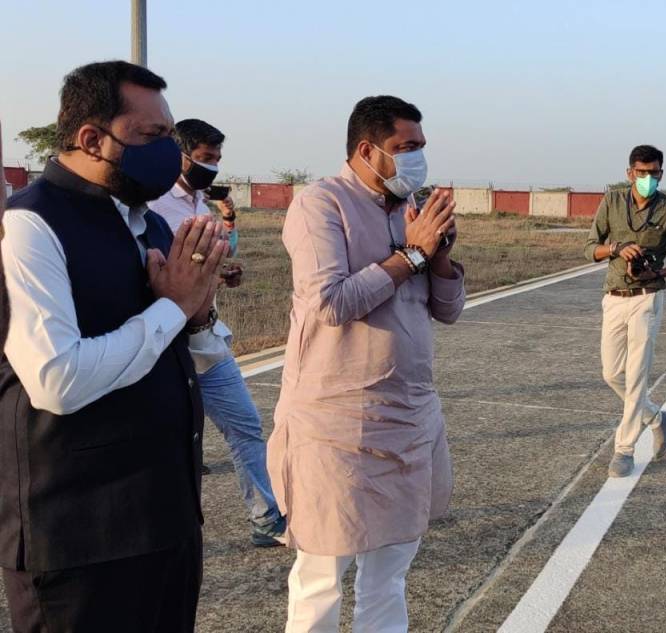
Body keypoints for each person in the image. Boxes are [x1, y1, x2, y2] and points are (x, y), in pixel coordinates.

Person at [0, 61, 228, 632]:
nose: (170, 153)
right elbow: (57, 380)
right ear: (91, 139)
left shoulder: (151, 225)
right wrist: (172, 307)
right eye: (152, 136)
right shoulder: (31, 225)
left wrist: (198, 315)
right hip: (80, 540)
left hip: (166, 521)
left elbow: (187, 358)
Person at [267, 95, 464, 632]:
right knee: (321, 577)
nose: (417, 158)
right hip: (335, 423)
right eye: (406, 147)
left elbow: (448, 311)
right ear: (367, 150)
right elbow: (330, 304)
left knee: (390, 574)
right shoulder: (320, 204)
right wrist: (412, 256)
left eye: (421, 146)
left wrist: (439, 255)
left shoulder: (412, 208)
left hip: (407, 416)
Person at [150, 118, 287, 548]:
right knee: (163, 440)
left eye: (217, 158)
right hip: (166, 343)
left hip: (206, 340)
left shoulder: (198, 204)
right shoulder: (154, 206)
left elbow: (203, 262)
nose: (212, 166)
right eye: (206, 158)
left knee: (245, 424)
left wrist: (220, 275)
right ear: (181, 156)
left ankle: (266, 518)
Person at [584, 145, 666, 477]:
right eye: (641, 172)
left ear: (661, 173)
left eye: (653, 173)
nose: (647, 178)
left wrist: (660, 272)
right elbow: (590, 248)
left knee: (636, 376)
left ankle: (624, 449)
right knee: (611, 373)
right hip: (614, 295)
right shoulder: (612, 201)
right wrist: (617, 248)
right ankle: (656, 417)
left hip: (648, 296)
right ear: (629, 173)